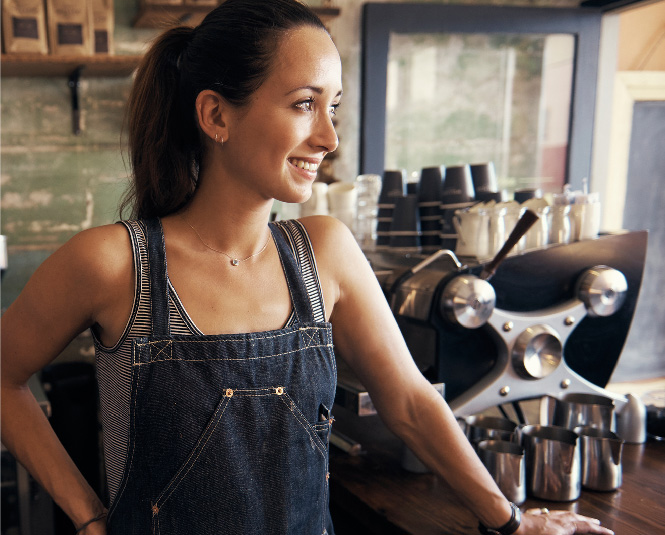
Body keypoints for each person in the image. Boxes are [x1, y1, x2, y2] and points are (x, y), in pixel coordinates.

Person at [1, 1, 615, 534]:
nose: (329, 138)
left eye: (334, 109)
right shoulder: (112, 263)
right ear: (215, 116)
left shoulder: (325, 251)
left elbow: (408, 401)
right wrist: (85, 513)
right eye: (303, 104)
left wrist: (510, 520)